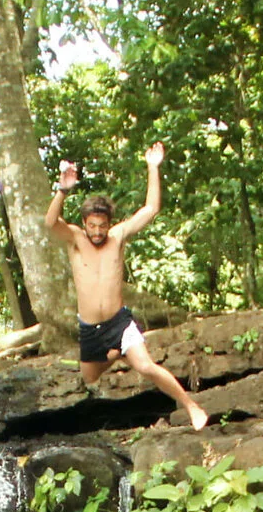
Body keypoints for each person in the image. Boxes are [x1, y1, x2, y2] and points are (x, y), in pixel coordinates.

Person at [46, 145, 208, 430]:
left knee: (145, 366)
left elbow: (151, 209)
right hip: (90, 329)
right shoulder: (75, 239)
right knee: (89, 377)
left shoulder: (117, 236)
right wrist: (62, 189)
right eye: (93, 226)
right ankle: (114, 353)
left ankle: (191, 406)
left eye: (102, 226)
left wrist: (153, 167)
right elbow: (50, 222)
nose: (97, 232)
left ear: (109, 224)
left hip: (119, 322)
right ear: (84, 223)